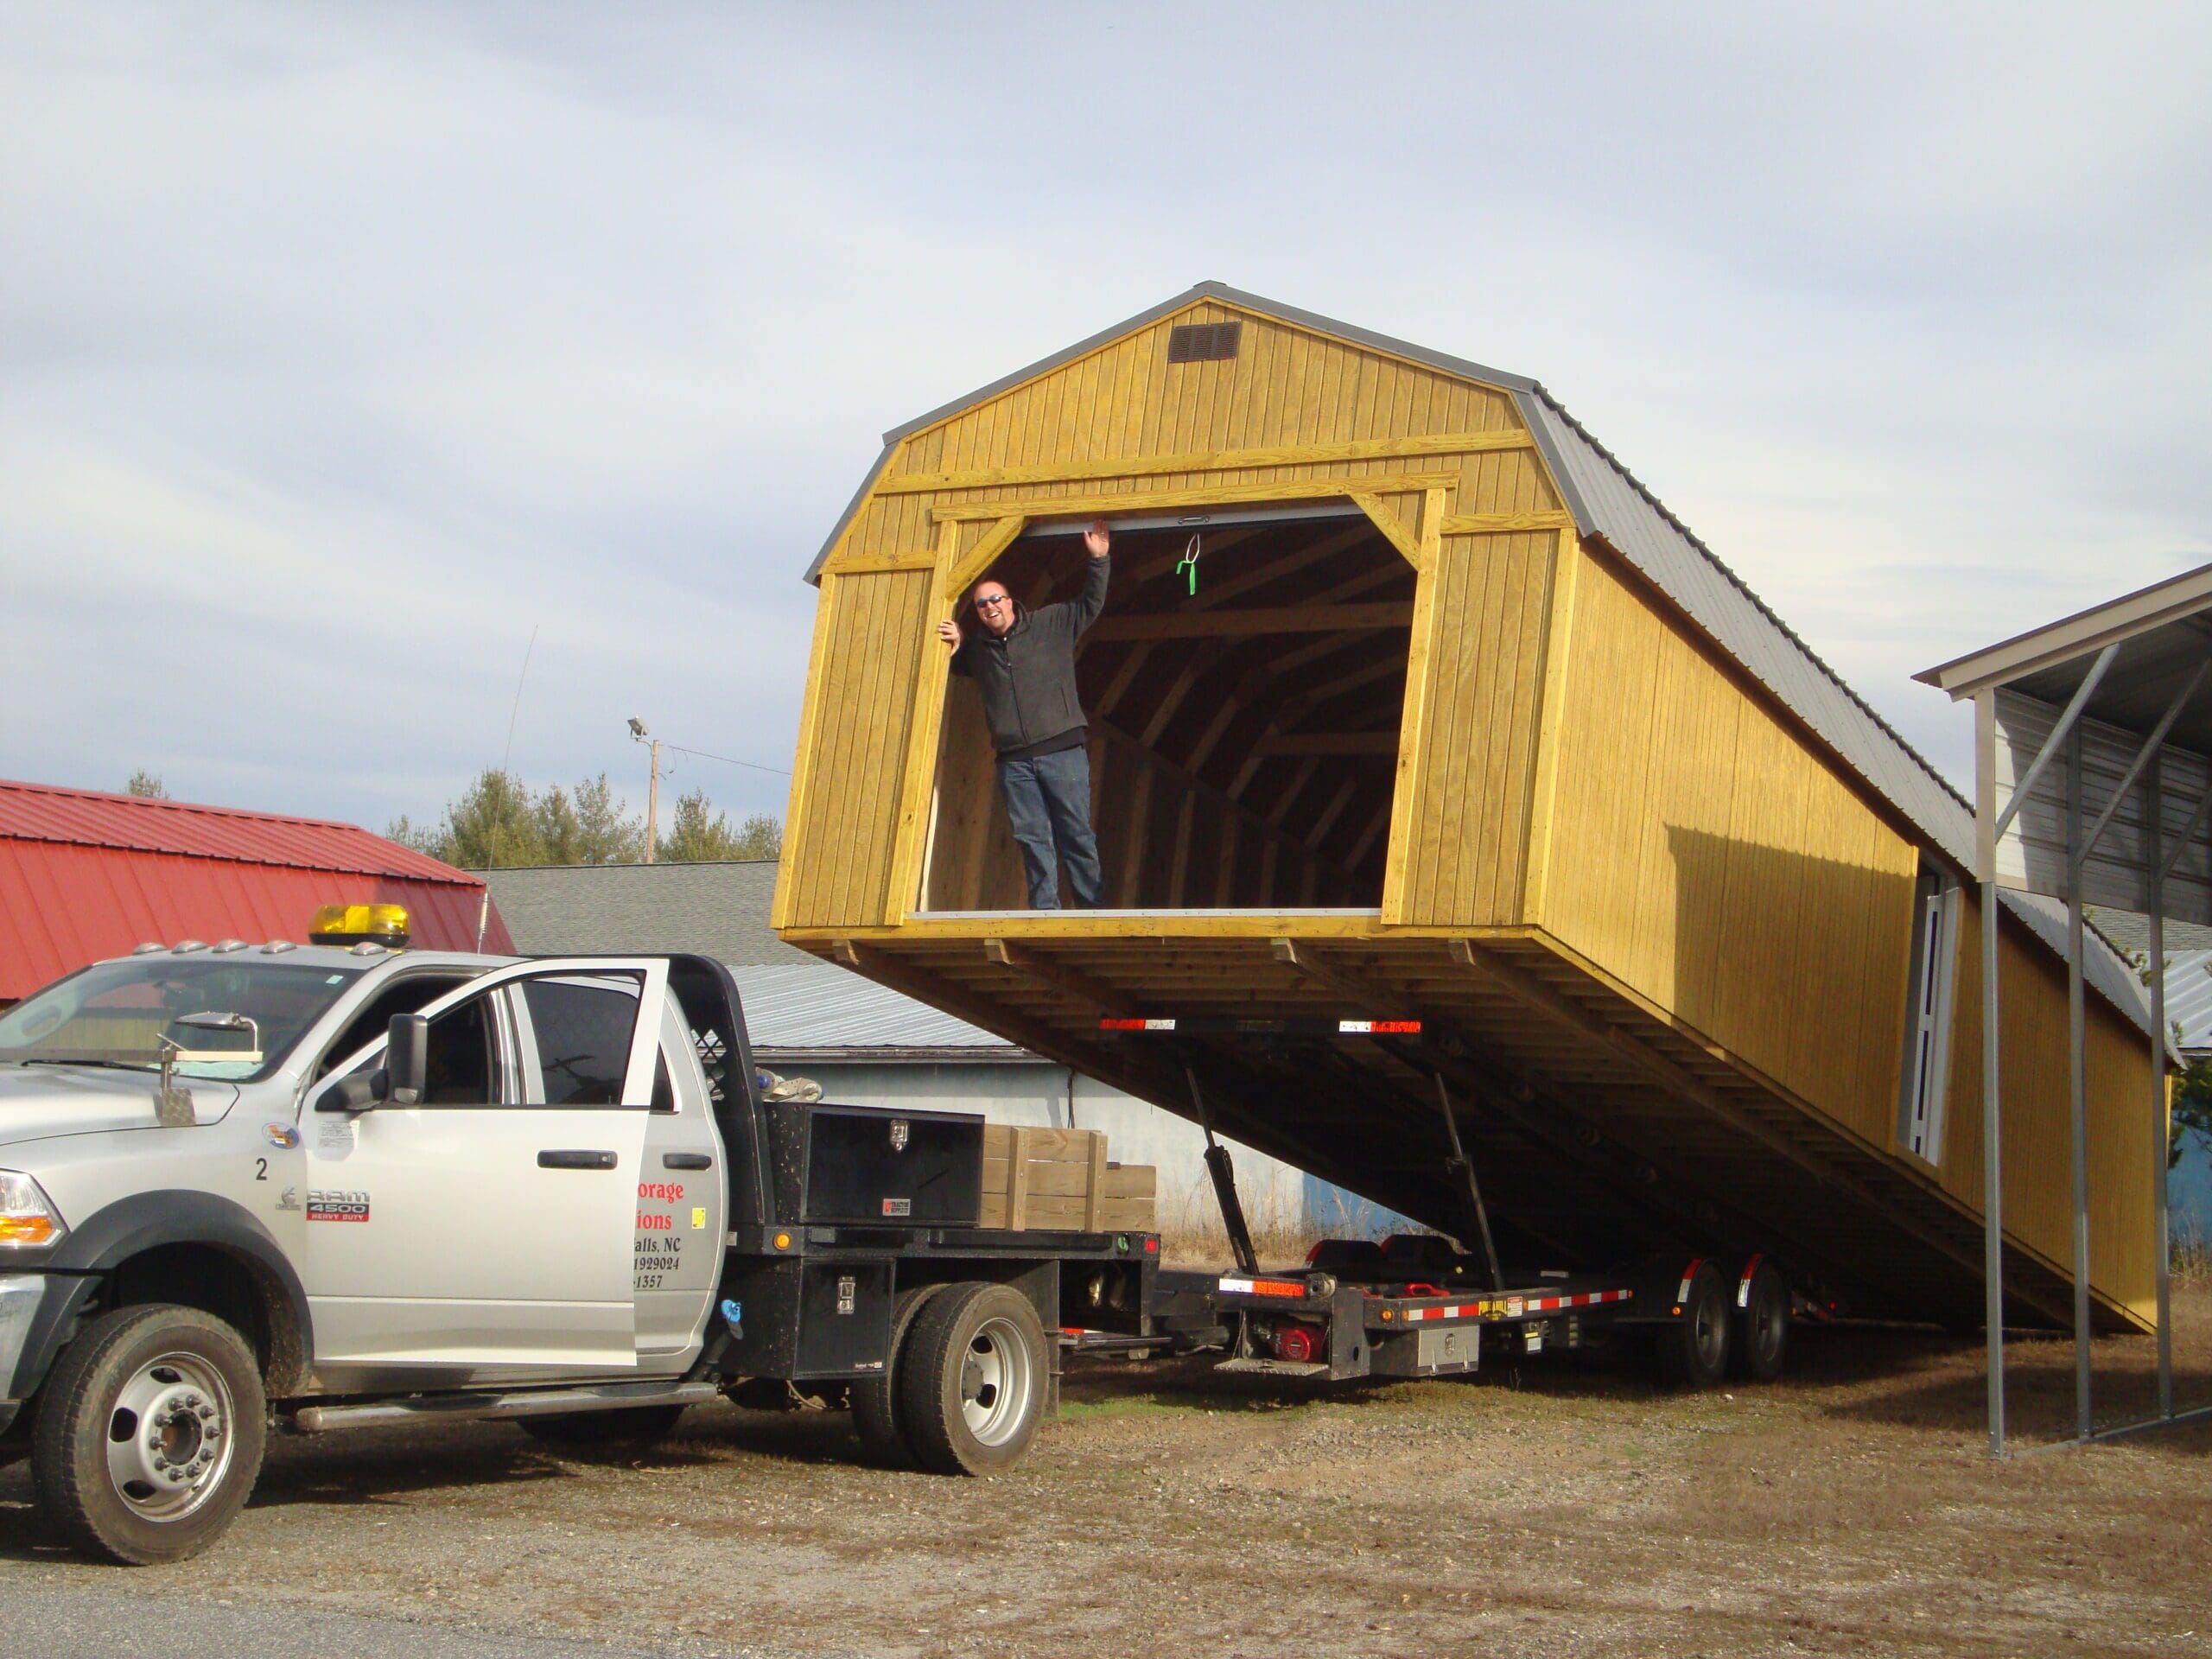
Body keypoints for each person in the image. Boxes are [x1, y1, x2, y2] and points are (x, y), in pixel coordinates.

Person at [936, 521, 1112, 909]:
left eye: (996, 599)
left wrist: (1098, 560)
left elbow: (1090, 604)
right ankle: (1045, 913)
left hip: (1062, 751)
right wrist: (956, 643)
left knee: (1076, 835)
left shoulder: (1051, 623)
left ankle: (1093, 911)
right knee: (1032, 839)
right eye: (982, 604)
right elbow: (959, 661)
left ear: (1011, 601)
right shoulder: (980, 652)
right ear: (978, 614)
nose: (990, 607)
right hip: (1015, 762)